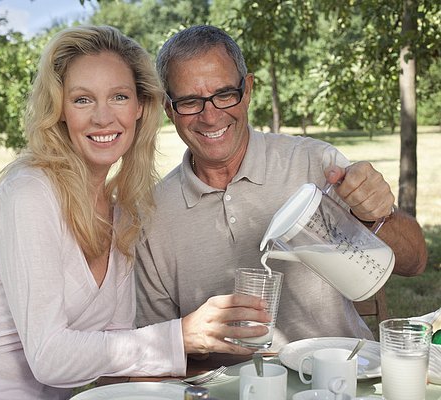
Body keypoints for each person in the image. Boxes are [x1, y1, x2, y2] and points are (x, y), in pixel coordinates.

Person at [0, 25, 271, 400]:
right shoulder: (29, 192)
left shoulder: (124, 215)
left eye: (118, 97)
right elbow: (49, 357)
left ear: (140, 108)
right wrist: (179, 335)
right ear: (59, 110)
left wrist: (196, 374)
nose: (102, 117)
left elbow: (115, 347)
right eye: (82, 99)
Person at [135, 25, 428, 352]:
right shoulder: (152, 214)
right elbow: (156, 352)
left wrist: (378, 215)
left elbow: (414, 263)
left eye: (224, 94)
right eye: (190, 101)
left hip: (340, 377)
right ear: (169, 108)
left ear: (246, 90)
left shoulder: (314, 164)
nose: (210, 115)